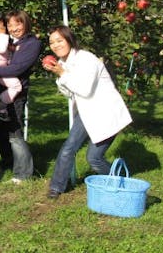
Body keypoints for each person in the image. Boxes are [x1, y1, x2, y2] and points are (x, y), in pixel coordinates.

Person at [42, 25, 133, 199]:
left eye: (59, 40)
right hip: (86, 113)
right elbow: (69, 93)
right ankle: (56, 187)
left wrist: (62, 73)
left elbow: (84, 90)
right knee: (69, 147)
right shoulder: (62, 63)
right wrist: (60, 75)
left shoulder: (87, 59)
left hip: (105, 112)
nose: (55, 45)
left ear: (69, 40)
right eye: (52, 42)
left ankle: (121, 182)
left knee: (94, 159)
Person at [0, 10, 40, 184]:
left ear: (26, 23)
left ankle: (23, 173)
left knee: (14, 131)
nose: (14, 28)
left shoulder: (32, 43)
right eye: (9, 24)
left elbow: (17, 69)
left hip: (15, 93)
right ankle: (8, 160)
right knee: (0, 129)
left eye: (18, 23)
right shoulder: (7, 40)